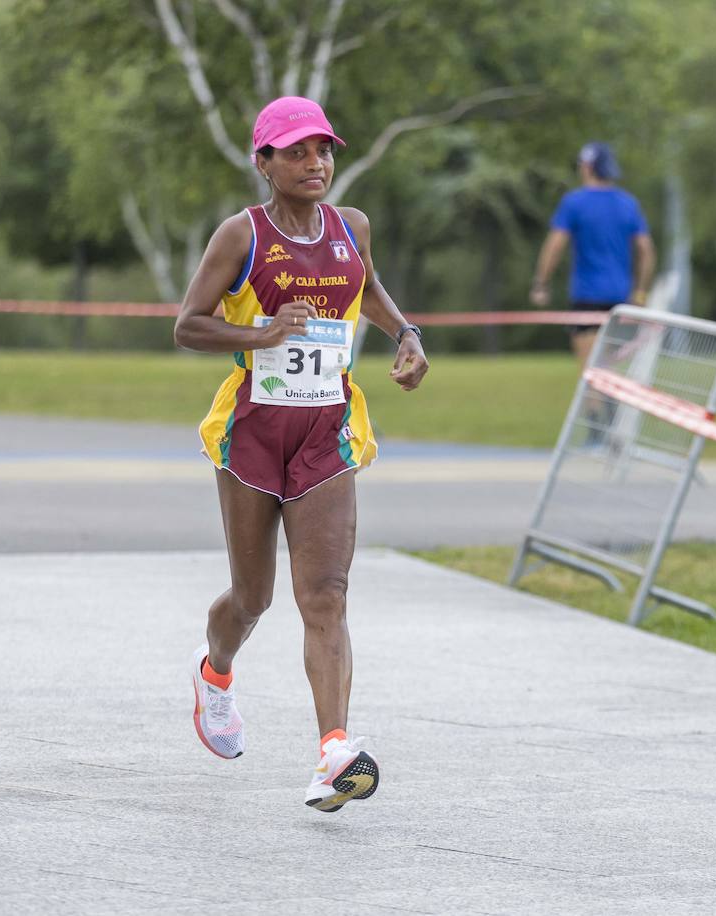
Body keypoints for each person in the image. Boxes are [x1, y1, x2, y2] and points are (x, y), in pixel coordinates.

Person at [173, 96, 429, 813]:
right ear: (265, 163)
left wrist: (406, 333)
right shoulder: (241, 235)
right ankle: (215, 673)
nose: (315, 163)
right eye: (296, 152)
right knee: (251, 599)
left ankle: (334, 752)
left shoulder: (352, 227)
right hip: (253, 429)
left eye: (323, 151)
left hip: (327, 429)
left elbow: (367, 287)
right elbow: (188, 326)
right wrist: (259, 335)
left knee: (325, 595)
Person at [529, 141, 656, 370]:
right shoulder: (628, 203)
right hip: (620, 299)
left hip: (587, 297)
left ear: (587, 167)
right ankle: (608, 405)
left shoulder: (575, 202)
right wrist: (641, 293)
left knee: (590, 373)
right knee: (607, 370)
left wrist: (541, 283)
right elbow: (646, 250)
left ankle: (600, 407)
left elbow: (554, 246)